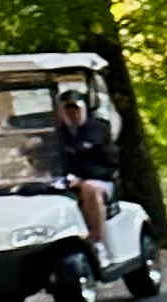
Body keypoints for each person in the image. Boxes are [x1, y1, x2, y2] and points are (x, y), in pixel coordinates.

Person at [49, 80, 121, 271]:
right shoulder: (56, 134)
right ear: (61, 112)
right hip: (67, 181)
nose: (73, 114)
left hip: (100, 180)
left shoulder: (97, 128)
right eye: (68, 110)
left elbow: (102, 159)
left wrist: (80, 177)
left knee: (89, 189)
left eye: (76, 109)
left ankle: (97, 242)